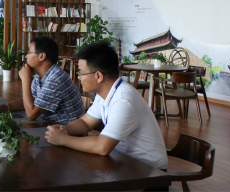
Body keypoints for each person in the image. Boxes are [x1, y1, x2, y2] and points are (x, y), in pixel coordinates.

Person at [45, 42, 168, 190]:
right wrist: (63, 129)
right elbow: (85, 123)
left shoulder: (123, 99)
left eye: (81, 73)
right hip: (123, 164)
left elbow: (102, 147)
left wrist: (63, 139)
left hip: (149, 175)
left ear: (98, 76)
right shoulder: (105, 93)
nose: (78, 77)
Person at [0, 36, 84, 124]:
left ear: (42, 56)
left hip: (69, 134)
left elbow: (31, 115)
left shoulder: (56, 79)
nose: (26, 56)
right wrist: (1, 107)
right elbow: (27, 101)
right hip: (49, 126)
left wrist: (26, 80)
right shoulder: (40, 76)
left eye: (29, 52)